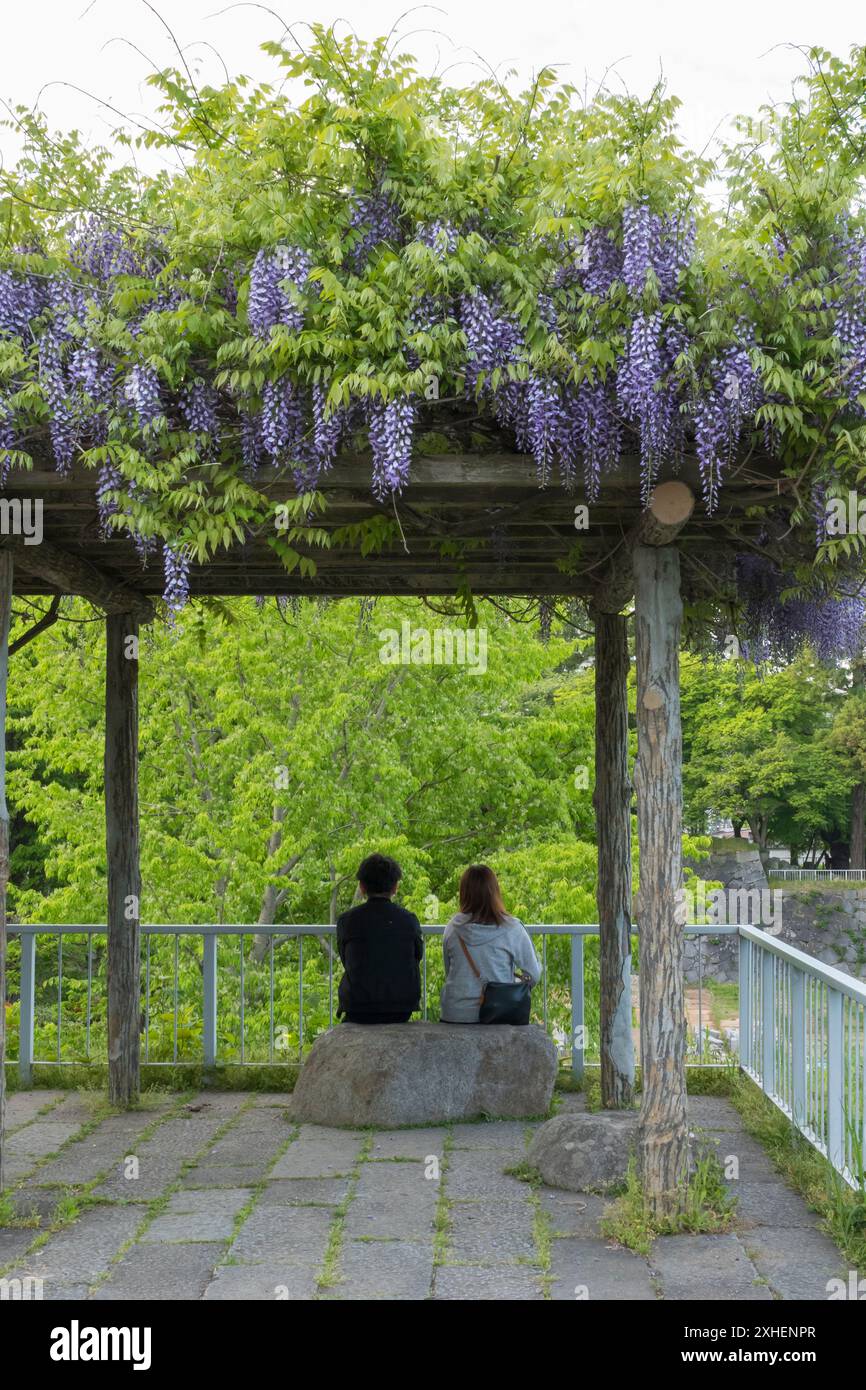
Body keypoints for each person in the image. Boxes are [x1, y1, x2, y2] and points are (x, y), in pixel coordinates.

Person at [440, 865, 541, 1024]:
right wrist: (508, 983)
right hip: (498, 1013)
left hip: (455, 1014)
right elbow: (533, 975)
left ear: (464, 893)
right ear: (495, 892)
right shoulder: (512, 928)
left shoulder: (452, 928)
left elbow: (449, 970)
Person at [336, 853, 423, 1024]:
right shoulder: (408, 920)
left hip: (358, 1006)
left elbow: (346, 958)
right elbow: (416, 956)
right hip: (401, 1007)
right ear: (395, 887)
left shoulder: (348, 921)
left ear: (362, 887)